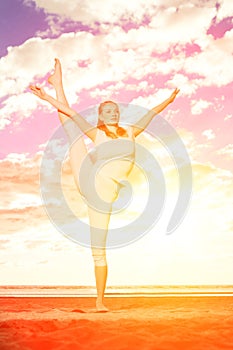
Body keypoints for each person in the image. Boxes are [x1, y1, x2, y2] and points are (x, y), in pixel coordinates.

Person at [30, 58, 179, 311]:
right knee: (72, 131)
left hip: (105, 197)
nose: (113, 112)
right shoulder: (97, 133)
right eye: (108, 110)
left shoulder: (131, 132)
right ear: (100, 116)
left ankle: (100, 301)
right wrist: (47, 97)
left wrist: (169, 99)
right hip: (89, 179)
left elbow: (151, 114)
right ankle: (58, 83)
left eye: (115, 110)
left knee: (99, 249)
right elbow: (72, 113)